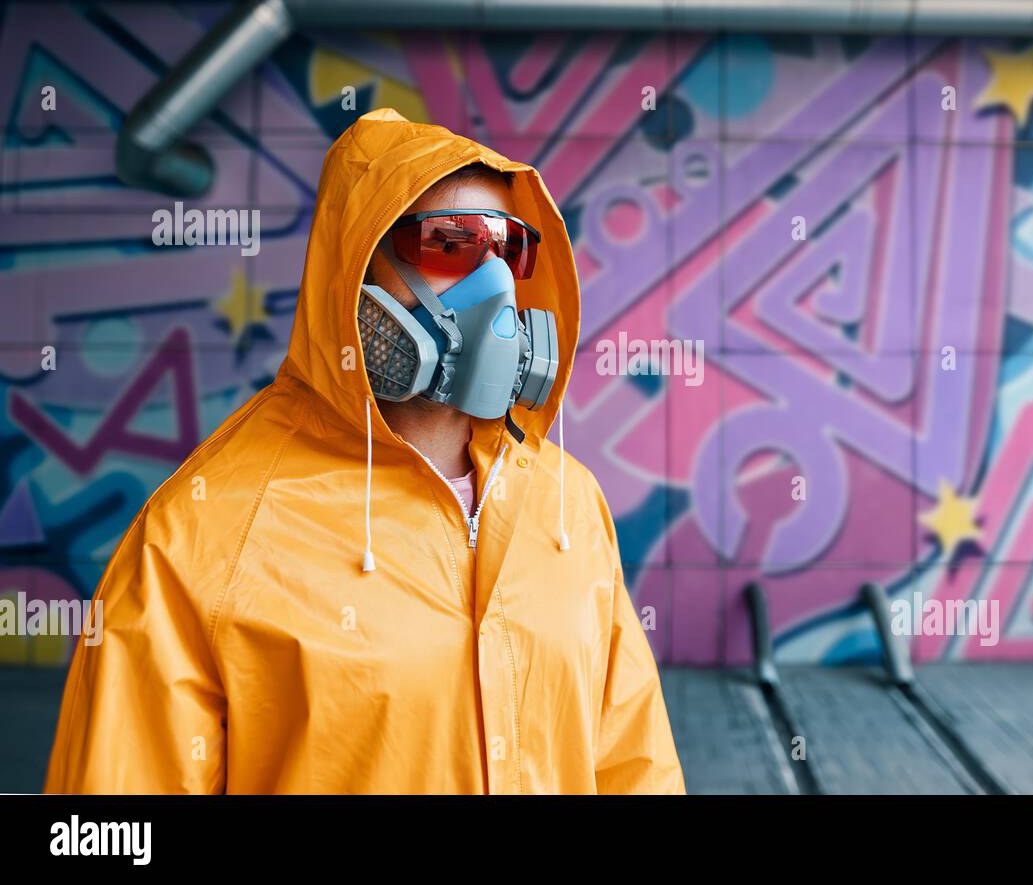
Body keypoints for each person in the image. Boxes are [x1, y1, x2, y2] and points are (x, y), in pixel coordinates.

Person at [43, 108, 685, 794]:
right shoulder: (202, 536)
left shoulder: (566, 505)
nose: (494, 284)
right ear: (358, 271)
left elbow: (631, 764)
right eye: (450, 243)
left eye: (509, 249)